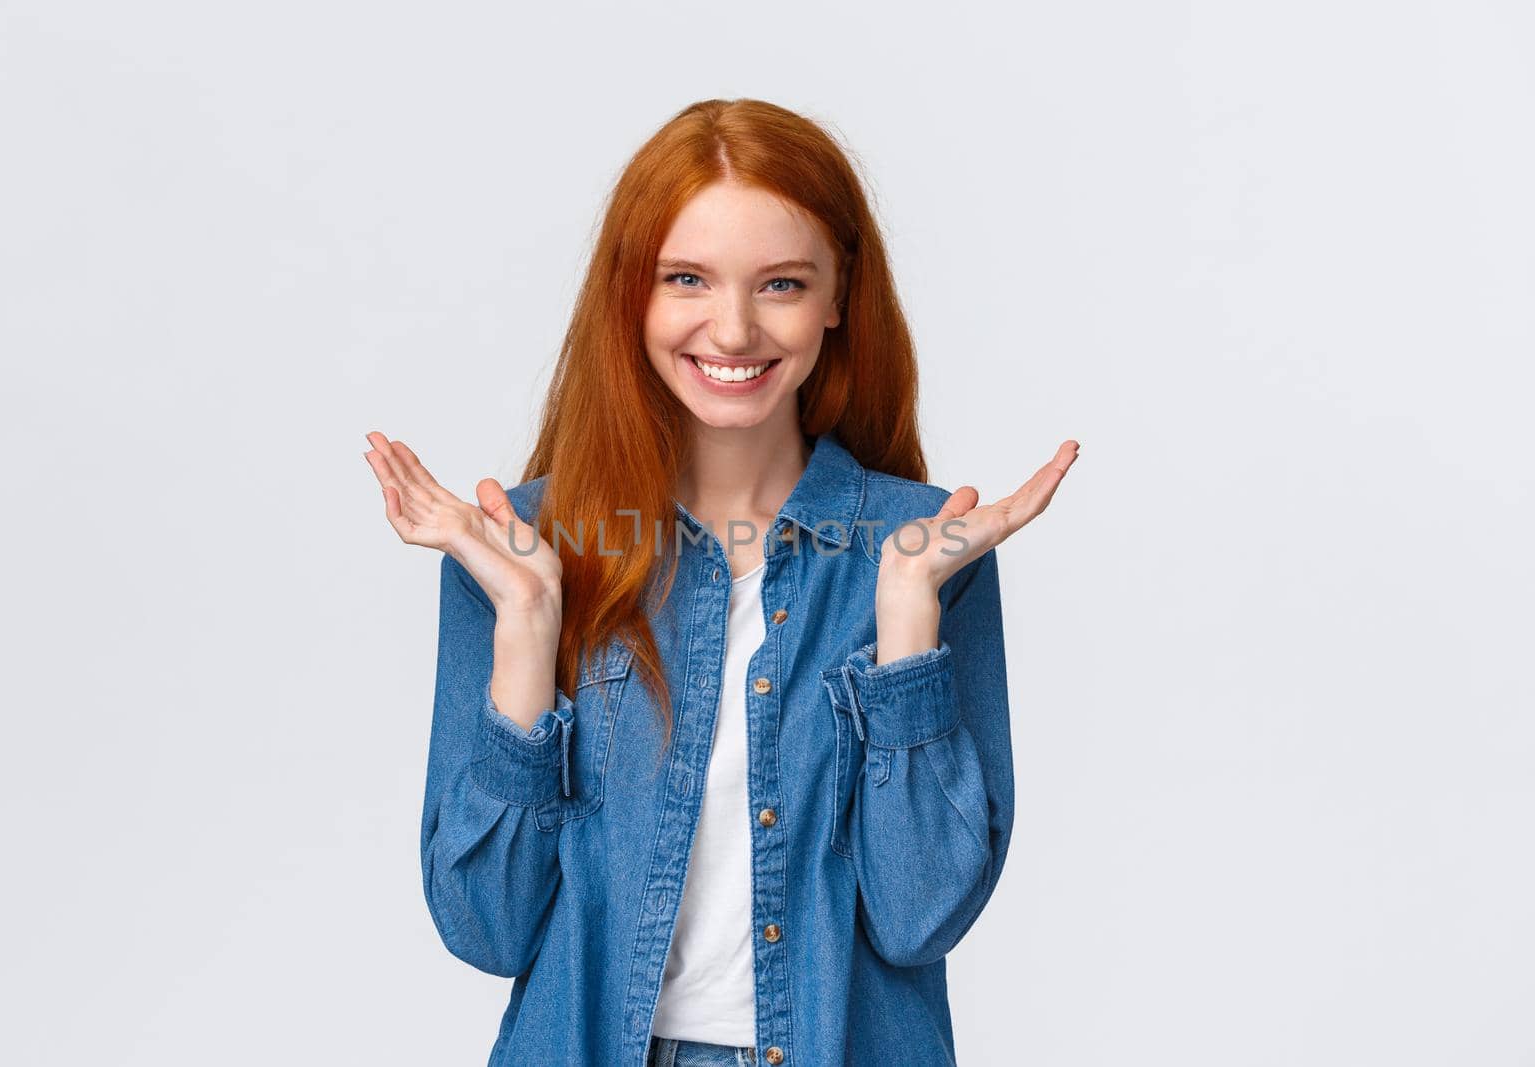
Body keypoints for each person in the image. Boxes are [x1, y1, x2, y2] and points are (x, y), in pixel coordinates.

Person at [363, 97, 1078, 1067]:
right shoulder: (525, 549)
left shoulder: (923, 550)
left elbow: (920, 917)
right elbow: (484, 926)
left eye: (780, 282)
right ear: (630, 295)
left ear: (837, 295)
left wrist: (905, 617)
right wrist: (530, 618)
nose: (733, 328)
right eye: (687, 278)